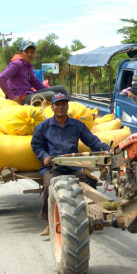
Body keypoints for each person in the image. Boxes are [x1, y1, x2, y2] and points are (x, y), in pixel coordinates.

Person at [31, 93, 110, 236]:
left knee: (89, 182)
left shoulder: (77, 125)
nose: (61, 107)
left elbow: (92, 141)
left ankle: (89, 219)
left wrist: (105, 149)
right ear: (52, 107)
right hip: (52, 167)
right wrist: (44, 156)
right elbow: (36, 145)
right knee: (49, 185)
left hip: (73, 166)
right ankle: (49, 222)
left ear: (67, 106)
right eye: (57, 104)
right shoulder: (43, 126)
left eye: (63, 104)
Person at [0, 40, 68, 106]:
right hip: (22, 97)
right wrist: (12, 97)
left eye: (32, 52)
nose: (29, 54)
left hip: (30, 93)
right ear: (21, 53)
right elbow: (1, 78)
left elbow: (36, 83)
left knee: (60, 89)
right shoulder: (17, 64)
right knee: (51, 95)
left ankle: (74, 107)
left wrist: (47, 89)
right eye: (26, 52)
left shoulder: (29, 65)